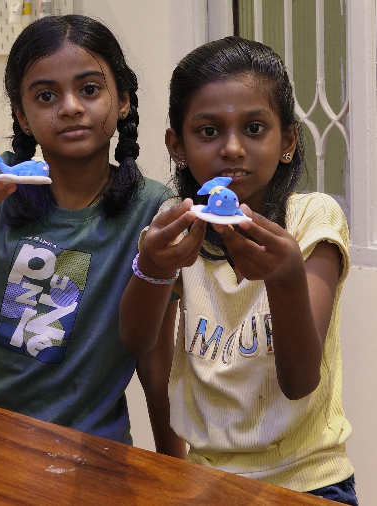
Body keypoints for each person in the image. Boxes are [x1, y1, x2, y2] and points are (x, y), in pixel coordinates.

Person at [0, 14, 185, 457]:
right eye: (46, 96)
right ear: (22, 117)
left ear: (122, 101)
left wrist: (175, 470)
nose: (70, 107)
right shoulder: (9, 182)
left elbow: (155, 359)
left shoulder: (153, 210)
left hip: (89, 452)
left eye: (90, 89)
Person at [119, 37, 357, 504]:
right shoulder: (175, 220)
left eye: (254, 128)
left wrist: (284, 279)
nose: (232, 149)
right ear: (177, 145)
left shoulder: (312, 219)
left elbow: (300, 381)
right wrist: (152, 267)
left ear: (287, 141)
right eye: (208, 131)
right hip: (206, 480)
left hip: (310, 480)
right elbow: (136, 341)